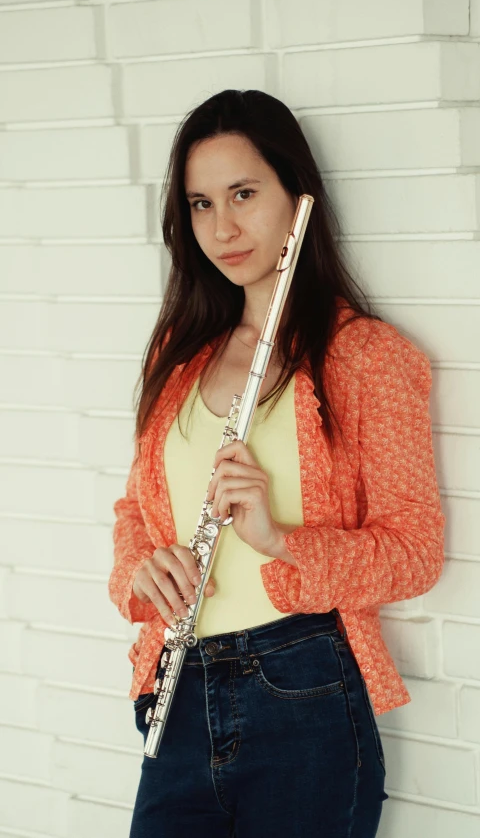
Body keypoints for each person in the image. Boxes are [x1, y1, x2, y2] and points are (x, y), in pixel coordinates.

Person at [108, 89, 446, 838]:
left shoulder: (365, 359)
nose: (221, 227)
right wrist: (141, 569)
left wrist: (279, 539)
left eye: (243, 193)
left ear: (299, 196)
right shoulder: (179, 355)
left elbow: (416, 551)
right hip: (179, 681)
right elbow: (135, 508)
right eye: (200, 203)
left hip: (304, 691)